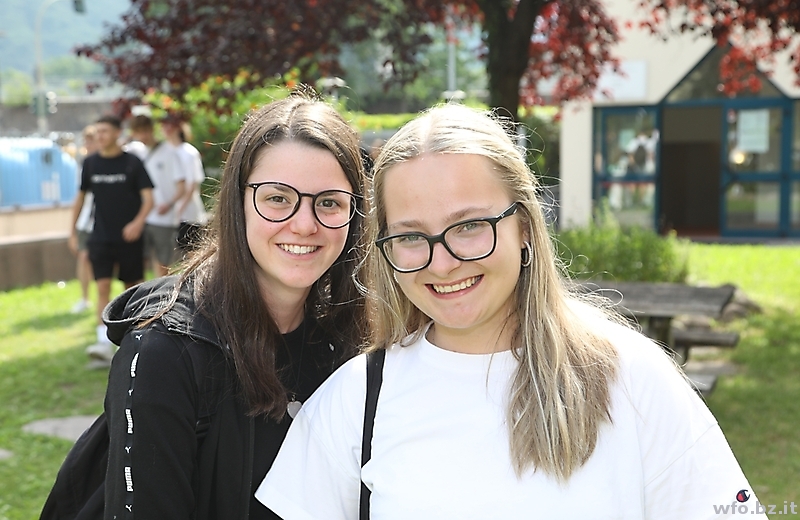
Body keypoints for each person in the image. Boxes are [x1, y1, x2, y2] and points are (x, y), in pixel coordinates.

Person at [256, 104, 766, 519]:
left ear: (524, 226)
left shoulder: (632, 379)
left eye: (469, 226)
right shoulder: (354, 401)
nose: (442, 262)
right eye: (411, 236)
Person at [100, 92, 367, 519]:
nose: (304, 224)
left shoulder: (355, 341)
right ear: (237, 202)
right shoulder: (164, 353)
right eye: (277, 198)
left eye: (329, 202)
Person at [70, 115, 154, 365]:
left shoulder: (132, 163)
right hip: (100, 237)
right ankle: (102, 344)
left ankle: (135, 341)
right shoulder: (90, 163)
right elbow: (80, 198)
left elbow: (149, 199)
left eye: (105, 131)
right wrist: (72, 231)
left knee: (132, 289)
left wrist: (137, 223)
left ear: (118, 132)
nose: (100, 136)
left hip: (129, 238)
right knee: (102, 288)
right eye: (97, 131)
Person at [126, 114, 186, 277]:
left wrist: (169, 204)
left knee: (163, 262)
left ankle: (162, 291)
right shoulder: (135, 152)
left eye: (145, 131)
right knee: (139, 261)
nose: (142, 136)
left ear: (152, 130)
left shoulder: (170, 153)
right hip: (141, 216)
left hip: (163, 217)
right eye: (138, 132)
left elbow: (182, 187)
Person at [162, 115, 208, 255]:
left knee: (190, 254)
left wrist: (179, 209)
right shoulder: (165, 152)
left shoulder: (189, 152)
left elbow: (192, 185)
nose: (166, 129)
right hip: (167, 214)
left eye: (170, 125)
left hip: (188, 214)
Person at [68, 124, 99, 313]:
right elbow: (79, 198)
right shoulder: (84, 165)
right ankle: (85, 298)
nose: (88, 145)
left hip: (105, 222)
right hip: (87, 221)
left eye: (91, 141)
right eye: (86, 141)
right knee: (84, 257)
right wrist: (72, 229)